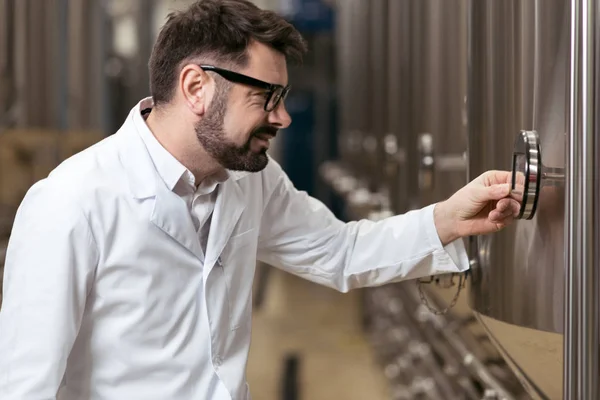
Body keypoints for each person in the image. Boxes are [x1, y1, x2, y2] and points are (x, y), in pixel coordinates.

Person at [0, 0, 521, 399]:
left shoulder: (250, 178)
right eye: (264, 98)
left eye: (283, 99)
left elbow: (338, 251)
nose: (283, 118)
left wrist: (448, 219)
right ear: (196, 87)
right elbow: (26, 386)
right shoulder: (69, 205)